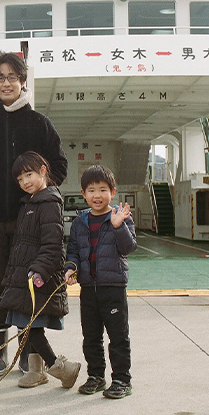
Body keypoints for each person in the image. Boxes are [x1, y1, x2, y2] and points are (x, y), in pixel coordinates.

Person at [0, 51, 68, 377]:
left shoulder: (40, 123)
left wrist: (38, 197)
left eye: (13, 77)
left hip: (31, 220)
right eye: (0, 78)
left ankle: (27, 352)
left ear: (23, 81)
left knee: (28, 285)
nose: (6, 83)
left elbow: (60, 166)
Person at [0, 152, 80, 389]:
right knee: (25, 325)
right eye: (20, 179)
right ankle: (36, 371)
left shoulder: (48, 203)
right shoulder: (30, 202)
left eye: (29, 174)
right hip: (24, 275)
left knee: (29, 327)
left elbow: (53, 245)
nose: (25, 182)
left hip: (37, 277)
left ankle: (61, 368)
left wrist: (39, 271)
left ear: (44, 170)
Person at [64, 165, 137, 399]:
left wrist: (118, 227)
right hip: (88, 289)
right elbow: (73, 251)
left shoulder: (121, 217)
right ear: (83, 194)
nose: (97, 195)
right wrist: (70, 268)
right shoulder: (79, 223)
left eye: (103, 190)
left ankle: (121, 380)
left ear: (112, 192)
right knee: (91, 336)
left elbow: (128, 247)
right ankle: (96, 376)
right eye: (91, 190)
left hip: (112, 287)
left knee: (118, 337)